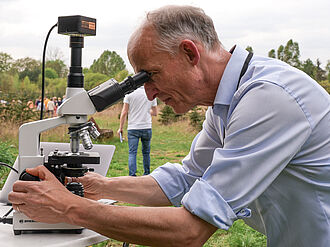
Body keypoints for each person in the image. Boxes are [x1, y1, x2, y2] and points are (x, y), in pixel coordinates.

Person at [8, 5, 330, 246]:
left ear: (189, 52)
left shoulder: (268, 98)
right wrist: (99, 187)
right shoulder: (227, 104)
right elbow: (185, 179)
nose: (148, 93)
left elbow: (190, 230)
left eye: (150, 75)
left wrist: (68, 207)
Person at [117, 86, 158, 176]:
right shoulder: (150, 93)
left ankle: (132, 175)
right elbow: (155, 113)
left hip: (133, 128)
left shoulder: (129, 94)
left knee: (132, 153)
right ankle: (147, 174)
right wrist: (147, 111)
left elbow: (124, 112)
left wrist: (120, 128)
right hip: (146, 127)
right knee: (146, 153)